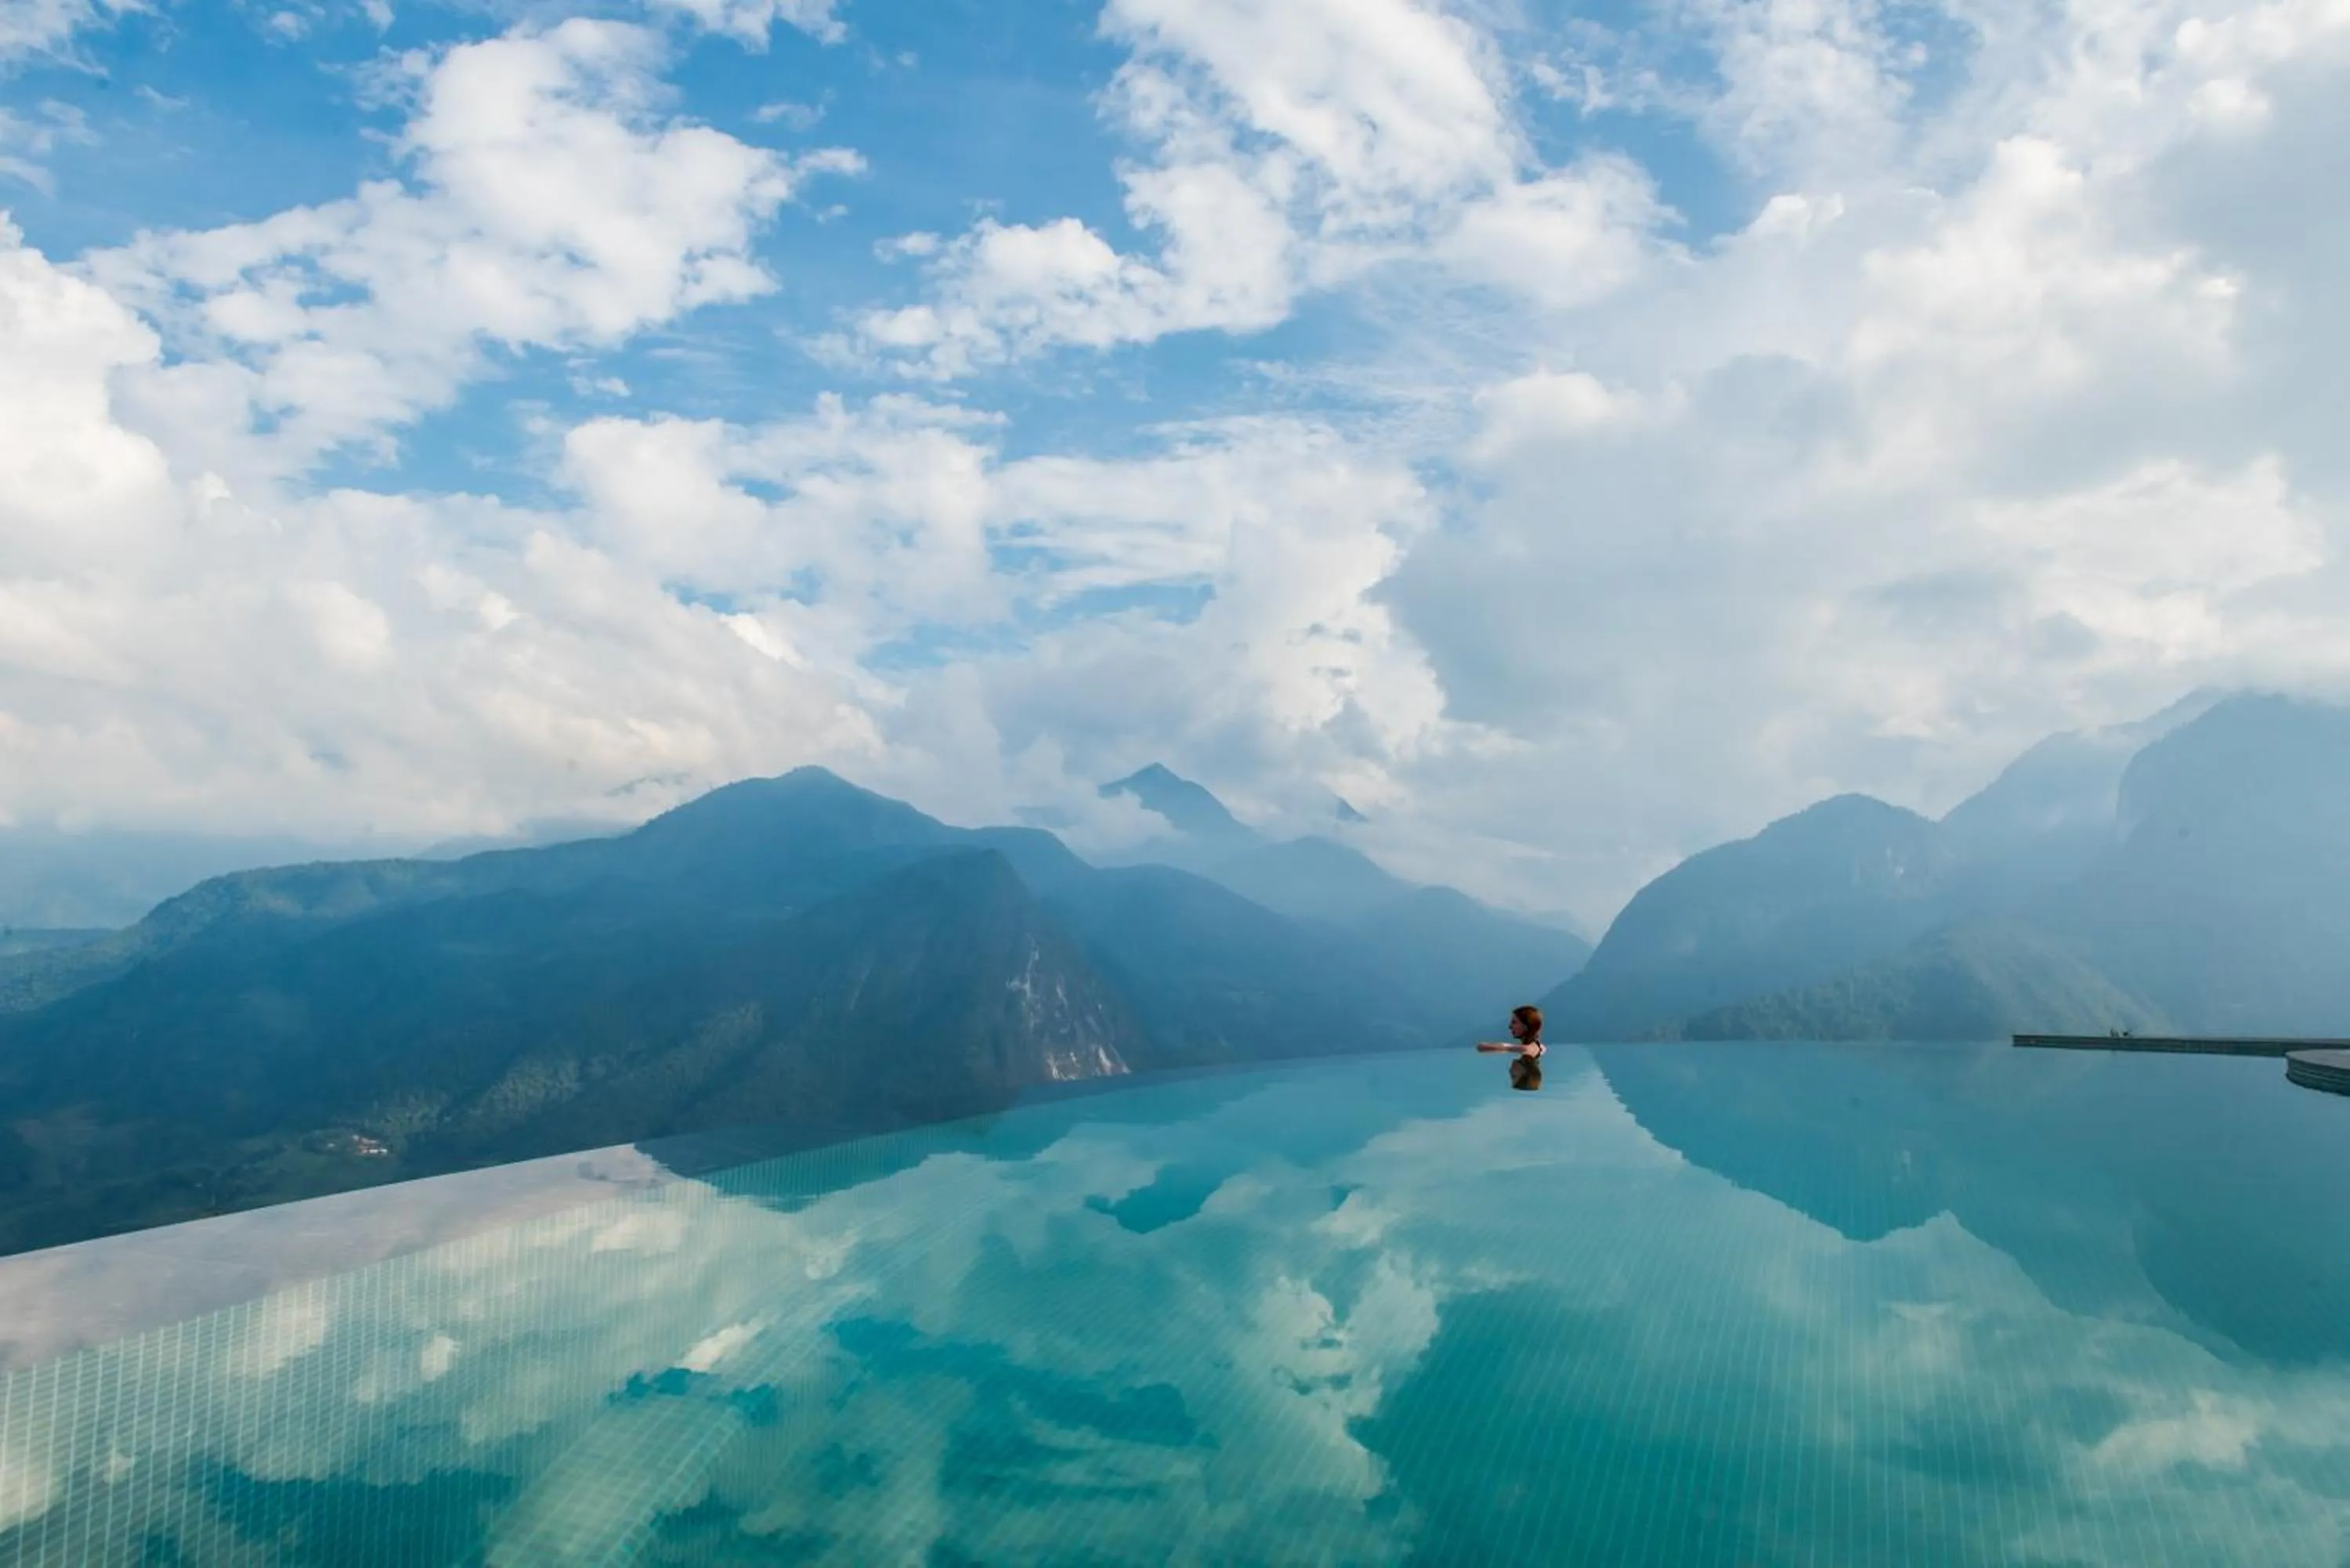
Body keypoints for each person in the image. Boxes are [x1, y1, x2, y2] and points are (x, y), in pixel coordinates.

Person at [1477, 1004, 1546, 1091]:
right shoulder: (1541, 1048)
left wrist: (1502, 1047)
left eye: (1514, 1022)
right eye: (1513, 1076)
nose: (1510, 1027)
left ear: (1526, 1026)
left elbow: (1481, 1047)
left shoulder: (1524, 1049)